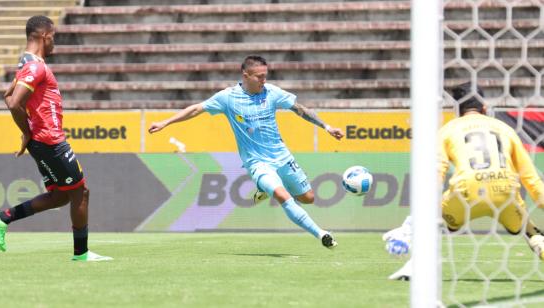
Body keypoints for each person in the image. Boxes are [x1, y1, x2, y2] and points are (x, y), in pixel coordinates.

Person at [149, 55, 344, 248]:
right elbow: (196, 109)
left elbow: (299, 109)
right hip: (256, 162)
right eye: (259, 76)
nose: (263, 80)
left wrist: (326, 127)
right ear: (245, 75)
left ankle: (265, 190)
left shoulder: (272, 93)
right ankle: (321, 234)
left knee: (308, 198)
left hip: (282, 156)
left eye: (265, 76)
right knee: (283, 195)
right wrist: (166, 122)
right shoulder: (227, 98)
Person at [383, 82, 544, 280]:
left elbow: (436, 174)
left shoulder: (448, 130)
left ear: (457, 110)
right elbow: (532, 180)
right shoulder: (506, 129)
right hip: (506, 194)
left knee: (432, 223)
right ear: (485, 108)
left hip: (467, 192)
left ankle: (413, 255)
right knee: (531, 231)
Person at [0, 15, 112, 261]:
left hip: (42, 141)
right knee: (81, 192)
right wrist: (27, 132)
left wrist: (29, 131)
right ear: (44, 36)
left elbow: (8, 96)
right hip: (50, 141)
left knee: (59, 195)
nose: (54, 43)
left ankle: (2, 218)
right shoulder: (36, 67)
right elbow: (14, 102)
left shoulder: (26, 64)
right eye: (53, 38)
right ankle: (81, 254)